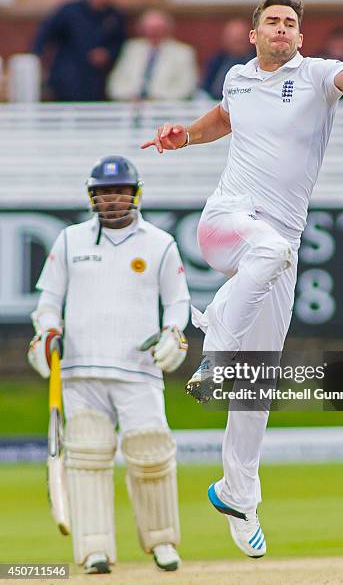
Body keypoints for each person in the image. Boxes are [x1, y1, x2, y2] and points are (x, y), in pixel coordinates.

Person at [141, 0, 343, 559]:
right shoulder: (237, 78)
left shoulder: (315, 76)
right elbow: (223, 118)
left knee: (258, 378)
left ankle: (238, 495)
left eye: (291, 23)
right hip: (227, 224)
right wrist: (183, 136)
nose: (283, 30)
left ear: (299, 35)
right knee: (267, 253)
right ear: (254, 34)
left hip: (278, 252)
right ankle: (216, 337)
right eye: (273, 22)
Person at [27, 156, 190, 574]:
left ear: (135, 194)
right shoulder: (69, 241)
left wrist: (174, 334)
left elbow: (178, 302)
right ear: (91, 196)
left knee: (151, 453)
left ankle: (162, 543)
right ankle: (94, 549)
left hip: (138, 367)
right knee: (87, 453)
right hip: (81, 369)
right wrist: (48, 331)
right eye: (103, 192)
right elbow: (48, 303)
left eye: (119, 191)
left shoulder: (160, 243)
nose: (112, 199)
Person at [32, 0, 125, 101]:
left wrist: (107, 53)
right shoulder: (69, 10)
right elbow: (45, 33)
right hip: (67, 74)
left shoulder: (113, 15)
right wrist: (37, 58)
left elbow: (119, 43)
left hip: (96, 80)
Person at [107, 9, 198, 101]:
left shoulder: (182, 52)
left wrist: (156, 97)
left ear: (167, 29)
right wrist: (130, 96)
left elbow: (187, 87)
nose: (153, 32)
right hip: (131, 107)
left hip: (167, 110)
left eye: (158, 28)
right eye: (149, 28)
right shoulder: (131, 48)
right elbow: (115, 83)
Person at [202, 19, 255, 100]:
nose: (236, 42)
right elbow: (206, 87)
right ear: (225, 39)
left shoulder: (259, 61)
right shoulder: (216, 60)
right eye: (232, 38)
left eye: (240, 38)